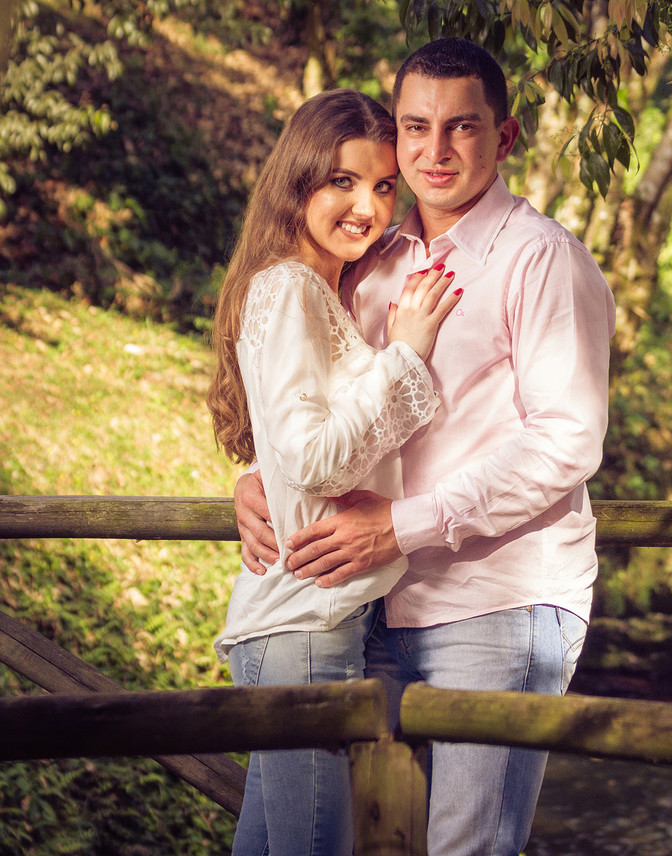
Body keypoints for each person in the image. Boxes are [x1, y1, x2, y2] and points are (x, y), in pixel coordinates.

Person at [233, 38, 616, 856]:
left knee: (465, 851)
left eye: (461, 128)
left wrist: (402, 524)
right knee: (341, 839)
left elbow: (568, 440)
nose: (434, 152)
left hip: (499, 603)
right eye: (415, 127)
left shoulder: (541, 259)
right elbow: (314, 403)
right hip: (369, 608)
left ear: (504, 138)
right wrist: (257, 474)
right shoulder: (370, 261)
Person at [207, 87, 462, 856]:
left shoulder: (313, 288)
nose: (368, 206)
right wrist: (406, 355)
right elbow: (313, 458)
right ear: (299, 182)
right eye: (343, 182)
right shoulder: (288, 288)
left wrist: (256, 475)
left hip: (307, 623)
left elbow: (289, 444)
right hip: (303, 628)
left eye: (385, 186)